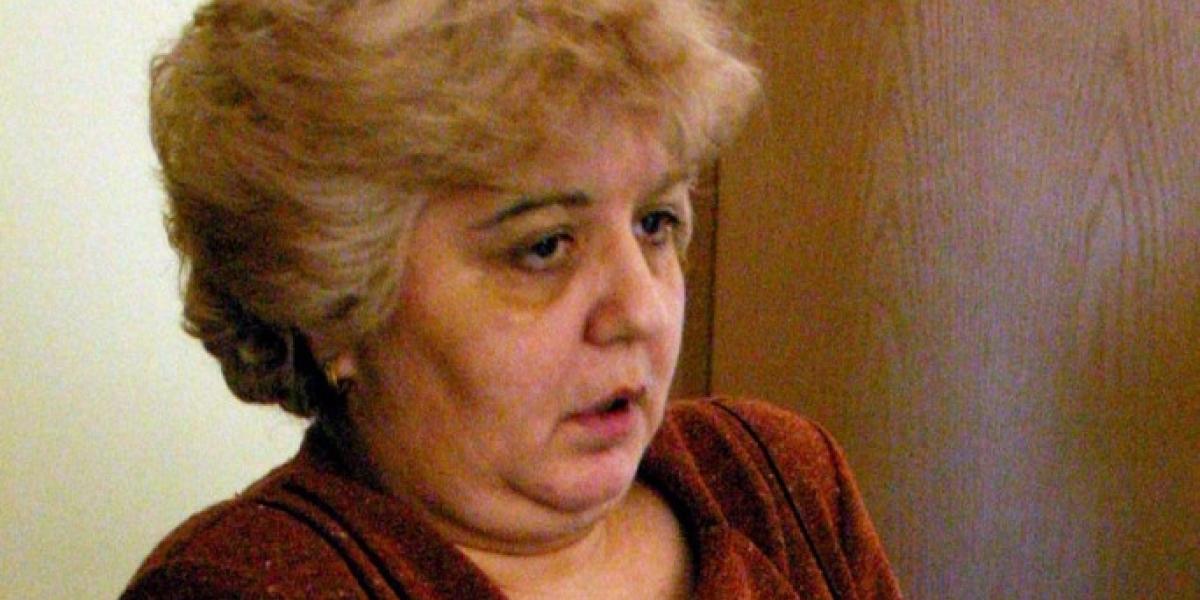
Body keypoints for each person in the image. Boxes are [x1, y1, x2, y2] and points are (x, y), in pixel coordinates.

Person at [124, 0, 901, 598]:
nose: (641, 310)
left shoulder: (775, 482)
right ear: (333, 301)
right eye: (545, 247)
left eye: (655, 223)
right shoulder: (244, 586)